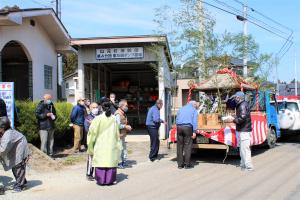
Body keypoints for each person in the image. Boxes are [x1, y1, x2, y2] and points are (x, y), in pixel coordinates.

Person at [87, 98, 121, 186]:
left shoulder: (97, 119)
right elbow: (117, 134)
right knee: (110, 160)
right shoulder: (114, 119)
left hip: (100, 145)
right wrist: (118, 145)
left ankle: (101, 180)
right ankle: (110, 179)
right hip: (111, 144)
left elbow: (91, 134)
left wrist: (90, 146)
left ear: (101, 108)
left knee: (101, 161)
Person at [0, 117, 29, 192]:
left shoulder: (8, 135)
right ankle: (22, 181)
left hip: (21, 147)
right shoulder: (4, 132)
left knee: (18, 165)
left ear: (2, 128)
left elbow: (2, 150)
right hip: (15, 147)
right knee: (14, 166)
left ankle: (20, 185)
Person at [230, 91, 254, 171]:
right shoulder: (241, 104)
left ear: (240, 98)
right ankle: (243, 164)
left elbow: (242, 118)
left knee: (245, 149)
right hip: (242, 130)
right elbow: (241, 116)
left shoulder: (242, 105)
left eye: (236, 97)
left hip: (244, 130)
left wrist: (233, 119)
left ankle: (248, 166)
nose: (235, 99)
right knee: (242, 148)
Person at [176, 101, 198, 169]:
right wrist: (194, 131)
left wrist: (178, 126)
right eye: (196, 105)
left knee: (180, 146)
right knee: (187, 146)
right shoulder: (194, 110)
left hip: (179, 127)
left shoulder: (181, 108)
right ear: (193, 105)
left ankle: (180, 165)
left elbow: (176, 119)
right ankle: (187, 164)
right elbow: (194, 121)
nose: (196, 106)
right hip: (188, 128)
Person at [84, 102, 100, 181]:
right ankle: (89, 174)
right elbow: (87, 129)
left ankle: (98, 174)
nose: (95, 109)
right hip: (92, 141)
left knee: (99, 157)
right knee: (91, 157)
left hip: (100, 141)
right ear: (90, 109)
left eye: (96, 107)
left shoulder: (101, 117)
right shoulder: (88, 118)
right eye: (93, 107)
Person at [115, 99, 132, 168]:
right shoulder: (118, 114)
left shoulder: (122, 113)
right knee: (119, 149)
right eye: (126, 106)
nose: (127, 107)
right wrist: (126, 126)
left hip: (122, 134)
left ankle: (124, 161)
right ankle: (119, 163)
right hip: (118, 135)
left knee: (123, 148)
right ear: (121, 106)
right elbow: (117, 125)